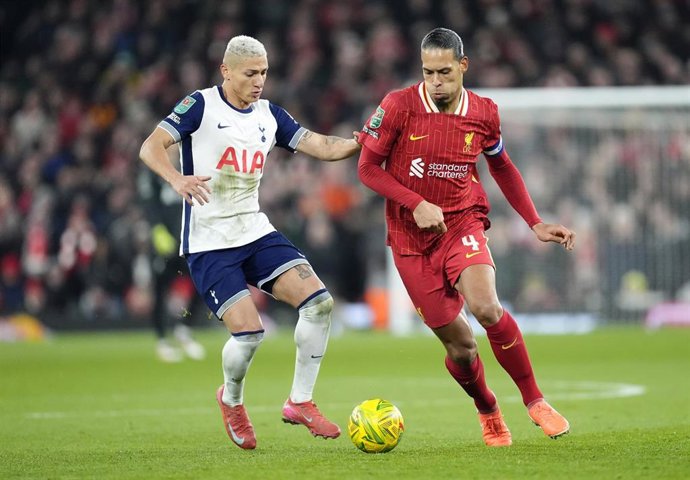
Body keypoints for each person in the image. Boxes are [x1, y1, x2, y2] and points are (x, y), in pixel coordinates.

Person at [139, 35, 360, 450]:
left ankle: (301, 401)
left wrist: (362, 143)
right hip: (208, 241)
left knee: (319, 303)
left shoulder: (268, 114)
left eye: (264, 73)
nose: (259, 81)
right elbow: (150, 146)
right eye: (250, 73)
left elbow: (321, 146)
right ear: (226, 71)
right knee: (250, 334)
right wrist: (177, 179)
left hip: (255, 231)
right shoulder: (200, 105)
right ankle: (232, 400)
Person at [357, 27, 575, 447]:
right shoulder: (399, 105)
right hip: (409, 239)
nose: (435, 82)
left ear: (463, 66)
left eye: (444, 72)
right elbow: (368, 169)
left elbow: (502, 167)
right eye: (427, 73)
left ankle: (535, 401)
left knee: (487, 307)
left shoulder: (485, 112)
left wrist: (535, 222)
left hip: (463, 223)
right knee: (461, 347)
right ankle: (488, 408)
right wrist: (415, 202)